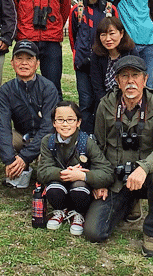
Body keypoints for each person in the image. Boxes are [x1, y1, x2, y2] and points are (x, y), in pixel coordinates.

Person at [84, 56, 153, 258]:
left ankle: (152, 232)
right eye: (124, 76)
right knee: (94, 232)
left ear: (145, 79)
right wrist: (98, 178)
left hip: (145, 176)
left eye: (135, 75)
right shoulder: (106, 105)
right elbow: (97, 146)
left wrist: (144, 167)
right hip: (115, 177)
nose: (130, 81)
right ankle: (128, 203)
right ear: (117, 81)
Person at [37, 101, 113, 236]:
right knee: (53, 188)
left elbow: (106, 172)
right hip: (59, 183)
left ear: (78, 122)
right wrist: (63, 173)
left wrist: (83, 176)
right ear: (53, 123)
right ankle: (60, 210)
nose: (65, 124)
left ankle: (78, 213)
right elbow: (42, 171)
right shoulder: (47, 141)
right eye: (60, 120)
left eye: (70, 120)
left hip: (80, 187)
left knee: (80, 188)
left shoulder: (87, 142)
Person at [0, 40, 59, 189]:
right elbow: (2, 126)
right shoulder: (5, 90)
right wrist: (10, 159)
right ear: (12, 63)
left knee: (46, 167)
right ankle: (17, 167)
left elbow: (48, 127)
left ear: (37, 64)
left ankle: (29, 163)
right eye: (19, 58)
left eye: (29, 59)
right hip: (22, 136)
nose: (24, 63)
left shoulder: (48, 88)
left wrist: (24, 156)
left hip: (46, 140)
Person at [67, 0, 117, 135]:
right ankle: (86, 138)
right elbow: (73, 37)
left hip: (104, 63)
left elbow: (115, 34)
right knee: (86, 101)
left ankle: (104, 136)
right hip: (83, 64)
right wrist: (78, 57)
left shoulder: (110, 10)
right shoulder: (77, 10)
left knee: (103, 99)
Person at [89, 16, 137, 107]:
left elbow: (136, 81)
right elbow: (97, 87)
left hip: (129, 100)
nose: (108, 39)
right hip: (105, 102)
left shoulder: (131, 53)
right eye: (103, 35)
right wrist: (108, 105)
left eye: (112, 33)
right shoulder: (96, 56)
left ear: (121, 33)